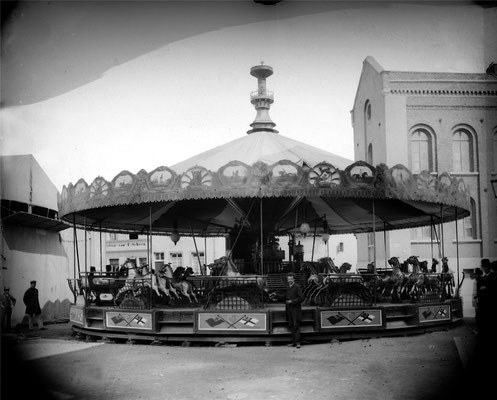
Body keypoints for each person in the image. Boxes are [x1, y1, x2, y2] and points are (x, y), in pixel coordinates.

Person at [285, 272, 303, 348]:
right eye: (288, 279)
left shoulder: (297, 287)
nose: (289, 280)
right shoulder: (288, 287)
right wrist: (276, 295)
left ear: (294, 279)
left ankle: (298, 342)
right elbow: (285, 296)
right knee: (292, 325)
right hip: (289, 309)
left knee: (296, 325)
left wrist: (292, 301)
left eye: (290, 279)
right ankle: (294, 342)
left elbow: (301, 298)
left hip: (295, 309)